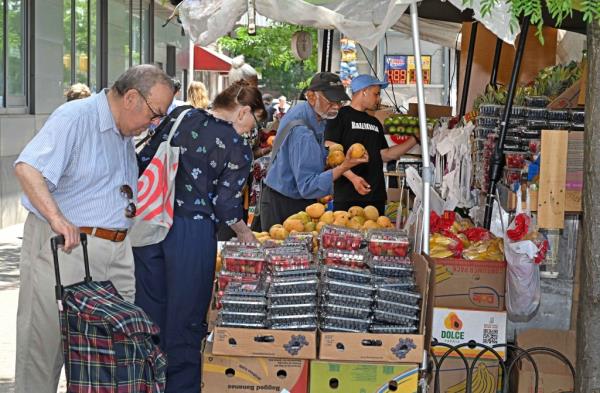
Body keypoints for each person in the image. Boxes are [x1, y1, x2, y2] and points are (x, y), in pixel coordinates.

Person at [13, 64, 174, 393]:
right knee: (44, 349)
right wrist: (57, 219)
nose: (155, 123)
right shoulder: (76, 117)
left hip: (114, 250)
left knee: (111, 354)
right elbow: (28, 168)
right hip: (68, 247)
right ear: (132, 98)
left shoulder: (123, 130)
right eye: (156, 113)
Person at [134, 80, 266, 393]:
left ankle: (145, 382)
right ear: (243, 111)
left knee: (149, 311)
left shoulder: (180, 116)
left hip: (151, 223)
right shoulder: (236, 146)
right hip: (191, 234)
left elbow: (142, 160)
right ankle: (179, 387)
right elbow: (227, 207)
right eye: (255, 120)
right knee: (187, 317)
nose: (252, 128)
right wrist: (246, 234)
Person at [260, 72, 369, 231]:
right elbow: (308, 186)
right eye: (331, 100)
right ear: (311, 96)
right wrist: (345, 166)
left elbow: (310, 156)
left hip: (284, 197)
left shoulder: (312, 114)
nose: (336, 106)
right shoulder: (303, 132)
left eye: (339, 101)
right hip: (284, 205)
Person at [325, 74, 418, 215]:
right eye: (376, 94)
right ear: (364, 91)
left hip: (376, 197)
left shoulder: (374, 122)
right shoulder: (340, 116)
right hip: (348, 196)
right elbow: (331, 152)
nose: (378, 99)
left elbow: (385, 154)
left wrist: (414, 140)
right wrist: (353, 178)